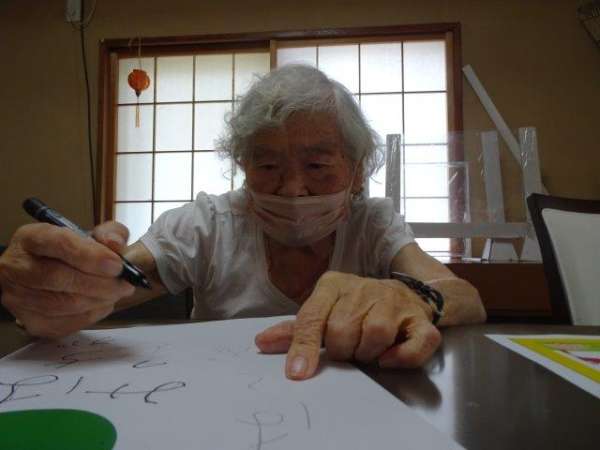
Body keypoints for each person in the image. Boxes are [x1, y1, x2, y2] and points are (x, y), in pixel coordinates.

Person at [0, 65, 486, 381]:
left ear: (357, 172)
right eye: (267, 165)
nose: (292, 189)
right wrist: (58, 285)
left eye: (318, 166)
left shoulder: (372, 222)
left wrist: (412, 295)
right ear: (242, 167)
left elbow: (464, 296)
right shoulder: (209, 223)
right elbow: (114, 281)